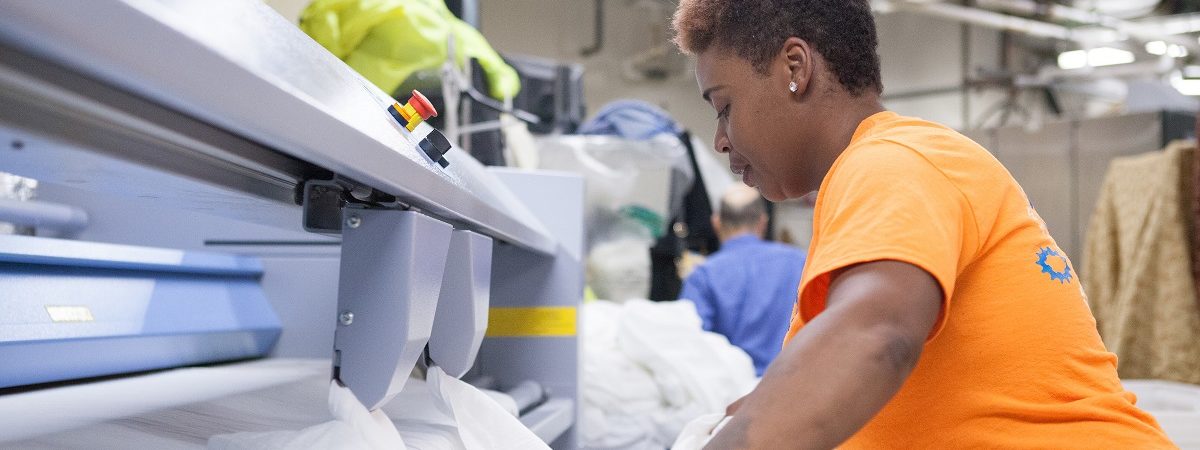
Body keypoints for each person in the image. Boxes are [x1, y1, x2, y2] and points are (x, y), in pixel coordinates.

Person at [670, 0, 1176, 448]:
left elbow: (875, 337)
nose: (719, 140)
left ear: (795, 67)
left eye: (723, 107)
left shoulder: (892, 160)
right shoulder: (885, 168)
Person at [679, 184, 806, 376]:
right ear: (763, 222)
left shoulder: (703, 275)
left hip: (731, 395)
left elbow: (690, 342)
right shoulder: (800, 262)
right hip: (793, 387)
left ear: (716, 222)